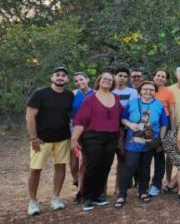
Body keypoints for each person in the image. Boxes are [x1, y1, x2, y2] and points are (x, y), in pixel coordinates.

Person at [25, 67, 74, 215]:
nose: (60, 77)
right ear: (51, 77)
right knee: (35, 169)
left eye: (63, 75)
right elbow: (30, 116)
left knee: (60, 168)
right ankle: (33, 201)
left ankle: (56, 198)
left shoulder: (69, 95)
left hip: (63, 138)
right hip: (41, 140)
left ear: (67, 79)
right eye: (57, 75)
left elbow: (72, 116)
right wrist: (33, 137)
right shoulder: (40, 94)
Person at [72, 72, 123, 211]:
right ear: (99, 81)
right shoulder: (90, 99)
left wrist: (120, 137)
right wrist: (74, 138)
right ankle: (86, 197)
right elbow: (81, 120)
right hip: (93, 137)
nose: (107, 81)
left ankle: (97, 195)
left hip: (111, 137)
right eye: (104, 79)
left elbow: (119, 119)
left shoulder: (116, 98)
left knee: (105, 166)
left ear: (113, 83)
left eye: (110, 79)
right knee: (93, 166)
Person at [115, 81, 168, 208]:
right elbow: (123, 118)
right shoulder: (132, 103)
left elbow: (164, 123)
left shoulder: (158, 104)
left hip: (150, 142)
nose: (148, 92)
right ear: (140, 91)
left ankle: (143, 191)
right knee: (129, 166)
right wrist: (129, 124)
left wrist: (160, 139)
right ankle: (122, 194)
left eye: (151, 89)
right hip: (133, 141)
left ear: (155, 92)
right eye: (145, 89)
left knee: (145, 167)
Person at [112, 67, 139, 197]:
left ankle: (119, 186)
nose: (122, 78)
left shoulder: (133, 92)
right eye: (119, 75)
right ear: (114, 76)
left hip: (128, 129)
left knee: (122, 159)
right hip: (110, 128)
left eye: (124, 76)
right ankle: (101, 189)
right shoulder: (109, 90)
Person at [148, 68, 175, 196]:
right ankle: (144, 183)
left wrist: (173, 128)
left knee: (159, 154)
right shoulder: (147, 90)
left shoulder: (168, 92)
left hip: (164, 125)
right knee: (145, 155)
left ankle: (156, 184)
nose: (160, 78)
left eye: (163, 76)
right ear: (154, 76)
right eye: (158, 75)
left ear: (166, 79)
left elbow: (172, 111)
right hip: (147, 125)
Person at [70, 72, 94, 204]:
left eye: (81, 79)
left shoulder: (95, 93)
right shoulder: (74, 94)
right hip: (73, 129)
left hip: (89, 129)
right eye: (76, 81)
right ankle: (77, 181)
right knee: (73, 163)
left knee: (84, 160)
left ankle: (80, 191)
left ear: (87, 79)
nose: (79, 82)